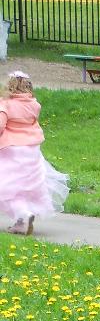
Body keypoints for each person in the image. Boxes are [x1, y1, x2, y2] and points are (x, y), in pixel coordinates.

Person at [0, 69, 69, 235]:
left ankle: (24, 213)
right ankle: (20, 223)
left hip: (12, 149)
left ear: (10, 86)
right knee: (27, 186)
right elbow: (33, 124)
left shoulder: (5, 104)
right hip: (32, 150)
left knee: (8, 186)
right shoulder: (34, 105)